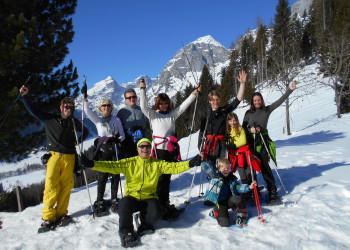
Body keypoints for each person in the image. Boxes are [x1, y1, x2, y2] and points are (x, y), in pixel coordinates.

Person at [79, 138, 202, 248]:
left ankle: (144, 223)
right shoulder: (130, 163)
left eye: (147, 146)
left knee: (157, 211)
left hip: (149, 197)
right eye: (142, 146)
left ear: (150, 149)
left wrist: (190, 163)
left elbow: (174, 167)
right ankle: (126, 232)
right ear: (138, 149)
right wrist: (92, 164)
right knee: (124, 204)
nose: (145, 149)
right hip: (132, 197)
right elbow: (111, 166)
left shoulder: (157, 164)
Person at [19, 85, 89, 233]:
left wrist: (78, 141)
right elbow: (34, 112)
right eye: (66, 106)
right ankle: (48, 217)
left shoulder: (74, 122)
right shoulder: (50, 119)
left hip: (70, 156)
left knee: (66, 186)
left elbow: (87, 131)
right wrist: (24, 97)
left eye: (71, 107)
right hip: (54, 156)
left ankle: (62, 213)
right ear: (61, 106)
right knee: (51, 186)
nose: (68, 108)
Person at [139, 79, 201, 220]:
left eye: (166, 103)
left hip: (170, 151)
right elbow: (143, 106)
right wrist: (143, 89)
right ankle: (159, 206)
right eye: (161, 103)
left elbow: (184, 106)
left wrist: (194, 93)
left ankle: (164, 204)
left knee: (167, 178)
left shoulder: (172, 115)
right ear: (158, 103)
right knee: (160, 179)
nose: (164, 105)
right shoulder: (153, 115)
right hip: (159, 151)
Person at [242, 81, 297, 205]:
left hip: (263, 141)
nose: (257, 102)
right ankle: (254, 190)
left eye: (259, 100)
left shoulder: (266, 110)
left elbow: (279, 101)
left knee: (265, 166)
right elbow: (243, 128)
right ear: (252, 101)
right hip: (251, 143)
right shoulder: (248, 113)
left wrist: (290, 90)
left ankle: (272, 190)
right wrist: (250, 129)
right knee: (251, 167)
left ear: (261, 100)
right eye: (255, 100)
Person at [199, 70, 246, 206]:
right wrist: (200, 148)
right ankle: (213, 194)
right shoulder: (205, 114)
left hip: (220, 145)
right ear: (209, 101)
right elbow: (201, 133)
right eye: (213, 100)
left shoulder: (224, 111)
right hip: (208, 145)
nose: (215, 102)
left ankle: (221, 194)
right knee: (210, 170)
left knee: (221, 168)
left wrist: (242, 84)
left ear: (219, 100)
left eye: (217, 99)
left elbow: (237, 100)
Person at [84, 97, 125, 215]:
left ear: (111, 107)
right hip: (103, 151)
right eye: (104, 106)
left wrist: (117, 140)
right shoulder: (97, 120)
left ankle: (114, 198)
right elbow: (87, 111)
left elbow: (122, 135)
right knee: (102, 176)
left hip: (114, 149)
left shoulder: (116, 119)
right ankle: (100, 199)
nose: (106, 107)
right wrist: (85, 99)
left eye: (108, 105)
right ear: (100, 108)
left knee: (115, 175)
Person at [201, 157, 257, 227]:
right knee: (225, 224)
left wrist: (249, 187)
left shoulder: (232, 178)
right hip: (220, 203)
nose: (226, 170)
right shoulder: (215, 176)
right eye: (223, 168)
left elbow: (238, 187)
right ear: (219, 169)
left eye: (228, 168)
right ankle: (215, 211)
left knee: (238, 198)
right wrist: (203, 160)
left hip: (229, 200)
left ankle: (242, 214)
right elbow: (209, 169)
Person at [225, 112, 261, 203]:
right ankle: (246, 191)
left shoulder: (240, 129)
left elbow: (243, 141)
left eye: (235, 120)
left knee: (249, 172)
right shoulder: (228, 131)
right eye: (231, 121)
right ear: (228, 122)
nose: (233, 122)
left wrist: (233, 145)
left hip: (245, 153)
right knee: (242, 174)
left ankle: (255, 191)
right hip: (237, 156)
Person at [117, 88, 149, 158]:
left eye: (134, 97)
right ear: (125, 100)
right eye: (129, 98)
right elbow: (118, 128)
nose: (132, 99)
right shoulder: (122, 112)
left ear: (136, 98)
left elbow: (149, 125)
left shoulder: (143, 109)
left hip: (142, 140)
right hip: (128, 142)